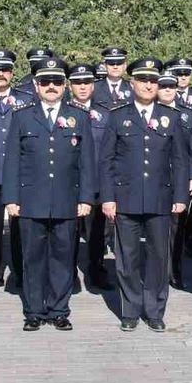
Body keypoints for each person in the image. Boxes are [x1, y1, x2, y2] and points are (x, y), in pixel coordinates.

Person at [3, 57, 95, 331]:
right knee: (32, 259)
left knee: (63, 258)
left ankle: (59, 310)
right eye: (45, 82)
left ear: (65, 85)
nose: (51, 86)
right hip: (31, 202)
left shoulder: (79, 116)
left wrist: (86, 198)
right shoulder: (22, 116)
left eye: (56, 81)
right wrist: (11, 199)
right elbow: (12, 162)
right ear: (36, 85)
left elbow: (87, 162)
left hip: (67, 201)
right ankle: (34, 311)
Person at [100, 57, 191, 332]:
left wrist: (180, 197)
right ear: (132, 83)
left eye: (153, 81)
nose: (149, 85)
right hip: (125, 198)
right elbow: (107, 160)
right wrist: (108, 197)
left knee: (158, 258)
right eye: (143, 80)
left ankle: (154, 311)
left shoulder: (171, 117)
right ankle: (130, 311)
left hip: (160, 199)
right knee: (127, 258)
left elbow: (181, 161)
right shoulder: (118, 116)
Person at [0, 48, 33, 292]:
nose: (0, 74)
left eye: (5, 69)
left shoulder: (27, 99)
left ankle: (21, 273)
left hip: (18, 176)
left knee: (20, 230)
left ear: (12, 73)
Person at [67, 63, 114, 290]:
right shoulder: (62, 111)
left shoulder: (106, 113)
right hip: (68, 183)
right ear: (70, 85)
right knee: (68, 233)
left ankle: (96, 271)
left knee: (97, 234)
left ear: (94, 85)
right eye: (77, 82)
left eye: (87, 82)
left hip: (95, 183)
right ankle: (68, 274)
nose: (83, 86)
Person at [160, 71, 192, 291]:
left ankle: (175, 272)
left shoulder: (188, 114)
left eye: (171, 86)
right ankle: (158, 271)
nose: (168, 90)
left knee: (178, 227)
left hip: (180, 177)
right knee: (157, 227)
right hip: (157, 178)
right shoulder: (150, 112)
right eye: (163, 86)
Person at [168, 57, 192, 260]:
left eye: (186, 74)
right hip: (171, 159)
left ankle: (190, 239)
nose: (183, 77)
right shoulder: (164, 93)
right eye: (179, 74)